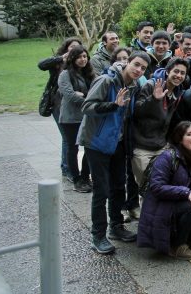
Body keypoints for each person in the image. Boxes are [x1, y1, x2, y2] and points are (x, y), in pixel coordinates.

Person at [79, 51, 149, 254]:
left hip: (118, 143)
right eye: (136, 64)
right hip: (97, 142)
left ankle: (116, 227)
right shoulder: (106, 80)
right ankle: (98, 235)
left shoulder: (134, 86)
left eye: (143, 68)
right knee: (101, 190)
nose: (138, 70)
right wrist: (113, 105)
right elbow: (87, 107)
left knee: (119, 186)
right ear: (127, 62)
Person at [137, 121, 191, 260]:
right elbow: (156, 187)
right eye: (189, 134)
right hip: (162, 205)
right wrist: (186, 192)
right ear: (179, 138)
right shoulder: (167, 157)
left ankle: (185, 233)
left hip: (182, 202)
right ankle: (177, 246)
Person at [132, 57, 189, 186]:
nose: (179, 76)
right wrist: (154, 99)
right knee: (147, 186)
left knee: (162, 185)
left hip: (162, 146)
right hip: (143, 147)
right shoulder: (152, 85)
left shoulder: (178, 91)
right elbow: (137, 112)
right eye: (176, 71)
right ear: (168, 71)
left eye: (182, 73)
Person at [38, 36, 83, 181]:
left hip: (74, 106)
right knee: (67, 138)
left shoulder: (80, 63)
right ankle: (67, 168)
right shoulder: (59, 63)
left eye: (77, 47)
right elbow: (41, 64)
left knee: (73, 138)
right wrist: (60, 59)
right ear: (66, 48)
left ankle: (69, 166)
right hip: (58, 105)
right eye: (71, 47)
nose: (74, 49)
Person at [57, 45, 95, 193]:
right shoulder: (65, 74)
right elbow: (70, 95)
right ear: (72, 58)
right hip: (70, 118)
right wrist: (89, 98)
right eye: (79, 57)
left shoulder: (91, 73)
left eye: (85, 56)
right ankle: (76, 179)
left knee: (90, 148)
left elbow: (98, 89)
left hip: (87, 116)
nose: (83, 59)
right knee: (73, 149)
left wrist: (83, 95)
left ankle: (86, 177)